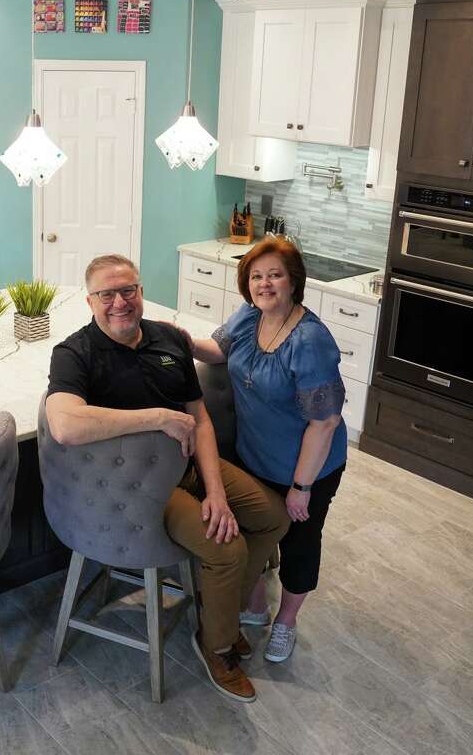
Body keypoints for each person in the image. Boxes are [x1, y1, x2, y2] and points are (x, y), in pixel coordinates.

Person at [45, 254, 289, 702]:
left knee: (272, 517)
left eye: (128, 290)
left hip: (190, 467)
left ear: (140, 292)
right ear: (90, 301)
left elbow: (200, 422)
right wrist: (156, 417)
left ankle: (221, 614)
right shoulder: (75, 353)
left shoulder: (167, 340)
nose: (120, 302)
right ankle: (216, 645)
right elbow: (64, 425)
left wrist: (215, 490)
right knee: (226, 548)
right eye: (107, 294)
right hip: (138, 489)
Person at [182, 236, 346, 663]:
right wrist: (185, 342)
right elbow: (219, 350)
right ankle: (255, 607)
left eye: (275, 275)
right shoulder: (249, 316)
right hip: (253, 455)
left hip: (306, 466)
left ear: (294, 282)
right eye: (256, 276)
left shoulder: (310, 340)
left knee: (300, 540)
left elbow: (324, 421)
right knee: (254, 531)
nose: (264, 284)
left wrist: (302, 487)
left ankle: (286, 622)